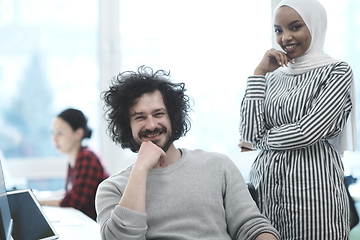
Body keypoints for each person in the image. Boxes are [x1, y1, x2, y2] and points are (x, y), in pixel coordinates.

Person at [95, 65, 280, 240]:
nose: (151, 125)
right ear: (127, 126)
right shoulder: (112, 189)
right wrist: (141, 169)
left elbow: (251, 225)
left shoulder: (218, 165)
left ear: (173, 118)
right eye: (140, 117)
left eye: (158, 114)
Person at [239, 0, 356, 239]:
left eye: (295, 27)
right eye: (278, 30)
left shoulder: (337, 71)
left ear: (315, 26)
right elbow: (249, 134)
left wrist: (262, 139)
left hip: (315, 195)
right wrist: (259, 73)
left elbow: (308, 132)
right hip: (267, 192)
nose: (285, 37)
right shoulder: (272, 77)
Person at [38, 108, 109, 220]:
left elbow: (73, 201)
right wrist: (42, 197)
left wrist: (39, 201)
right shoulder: (76, 158)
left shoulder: (87, 157)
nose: (54, 139)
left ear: (78, 134)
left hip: (94, 226)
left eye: (60, 133)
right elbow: (69, 193)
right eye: (53, 133)